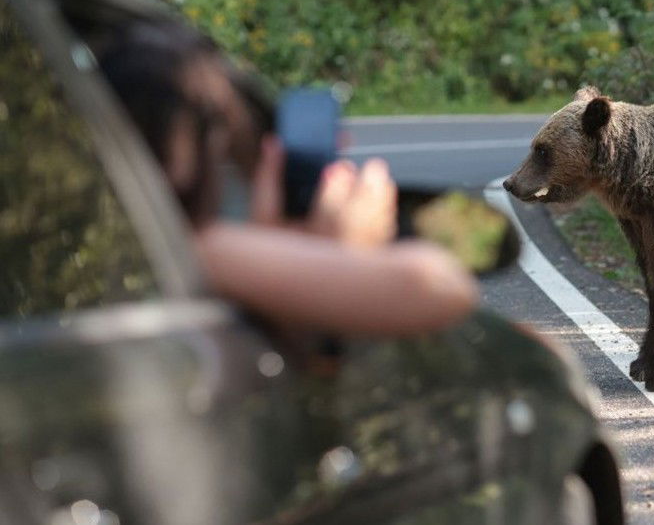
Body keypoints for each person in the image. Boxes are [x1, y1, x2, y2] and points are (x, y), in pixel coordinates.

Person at [97, 20, 478, 335]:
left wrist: (277, 241)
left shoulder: (103, 248)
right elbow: (437, 285)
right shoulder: (186, 248)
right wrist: (345, 252)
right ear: (178, 155)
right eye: (220, 136)